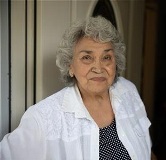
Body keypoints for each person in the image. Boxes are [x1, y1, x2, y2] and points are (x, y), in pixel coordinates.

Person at [0, 16, 154, 160]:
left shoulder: (128, 90)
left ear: (116, 62)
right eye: (87, 57)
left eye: (106, 57)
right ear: (70, 66)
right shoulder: (42, 118)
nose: (98, 68)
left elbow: (145, 145)